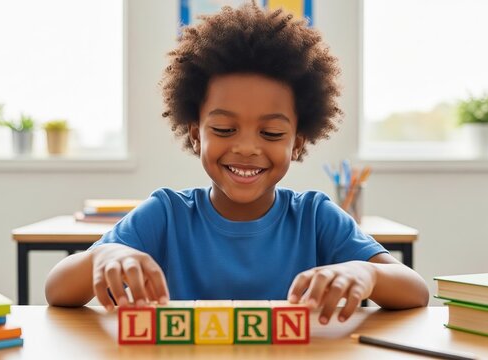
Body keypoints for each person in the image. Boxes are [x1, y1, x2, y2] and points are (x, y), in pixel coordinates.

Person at [45, 3, 428, 325]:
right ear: (196, 134)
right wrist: (106, 254)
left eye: (272, 134)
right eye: (225, 129)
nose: (246, 148)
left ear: (299, 142)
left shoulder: (315, 217)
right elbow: (57, 288)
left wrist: (367, 272)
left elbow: (415, 290)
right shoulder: (166, 214)